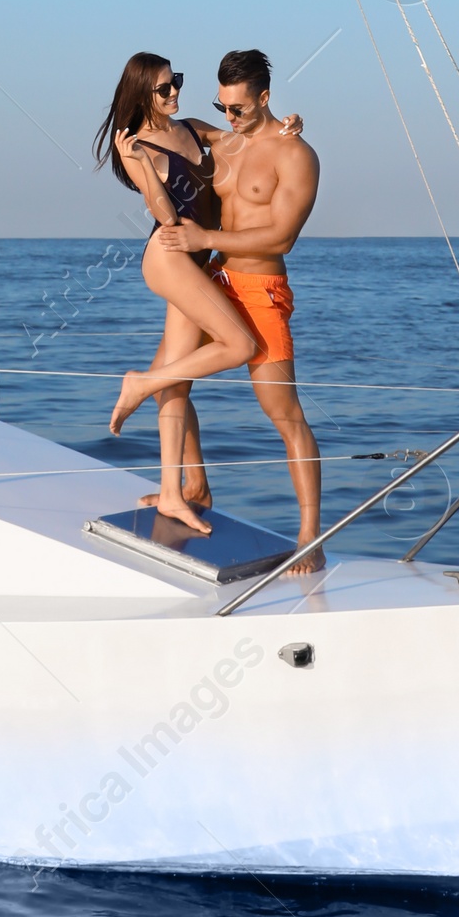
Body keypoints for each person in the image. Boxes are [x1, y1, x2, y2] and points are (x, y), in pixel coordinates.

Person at [154, 48, 324, 569]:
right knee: (169, 378)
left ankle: (310, 537)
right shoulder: (222, 139)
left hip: (261, 288)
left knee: (283, 412)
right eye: (222, 106)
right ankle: (196, 485)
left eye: (239, 108)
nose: (229, 117)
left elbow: (283, 236)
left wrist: (205, 233)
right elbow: (166, 123)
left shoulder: (296, 154)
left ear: (265, 98)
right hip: (216, 281)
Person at [94, 53, 256, 533]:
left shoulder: (190, 127)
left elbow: (244, 140)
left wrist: (286, 126)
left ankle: (181, 491)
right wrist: (143, 164)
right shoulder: (135, 144)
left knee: (177, 380)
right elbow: (165, 216)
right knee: (240, 345)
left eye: (176, 82)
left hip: (197, 259)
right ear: (143, 92)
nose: (173, 93)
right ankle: (140, 383)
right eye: (164, 88)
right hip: (169, 257)